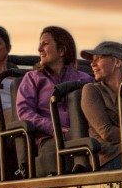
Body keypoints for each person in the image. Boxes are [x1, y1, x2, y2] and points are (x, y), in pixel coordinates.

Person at [16, 25, 91, 172]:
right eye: (40, 44)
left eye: (45, 44)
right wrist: (53, 128)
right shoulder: (32, 78)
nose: (39, 49)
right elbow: (24, 111)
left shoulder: (85, 79)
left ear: (61, 51)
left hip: (83, 133)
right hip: (50, 138)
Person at [80, 40, 122, 169]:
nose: (92, 64)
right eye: (92, 60)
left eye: (98, 58)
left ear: (117, 62)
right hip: (109, 157)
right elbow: (107, 132)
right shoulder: (91, 90)